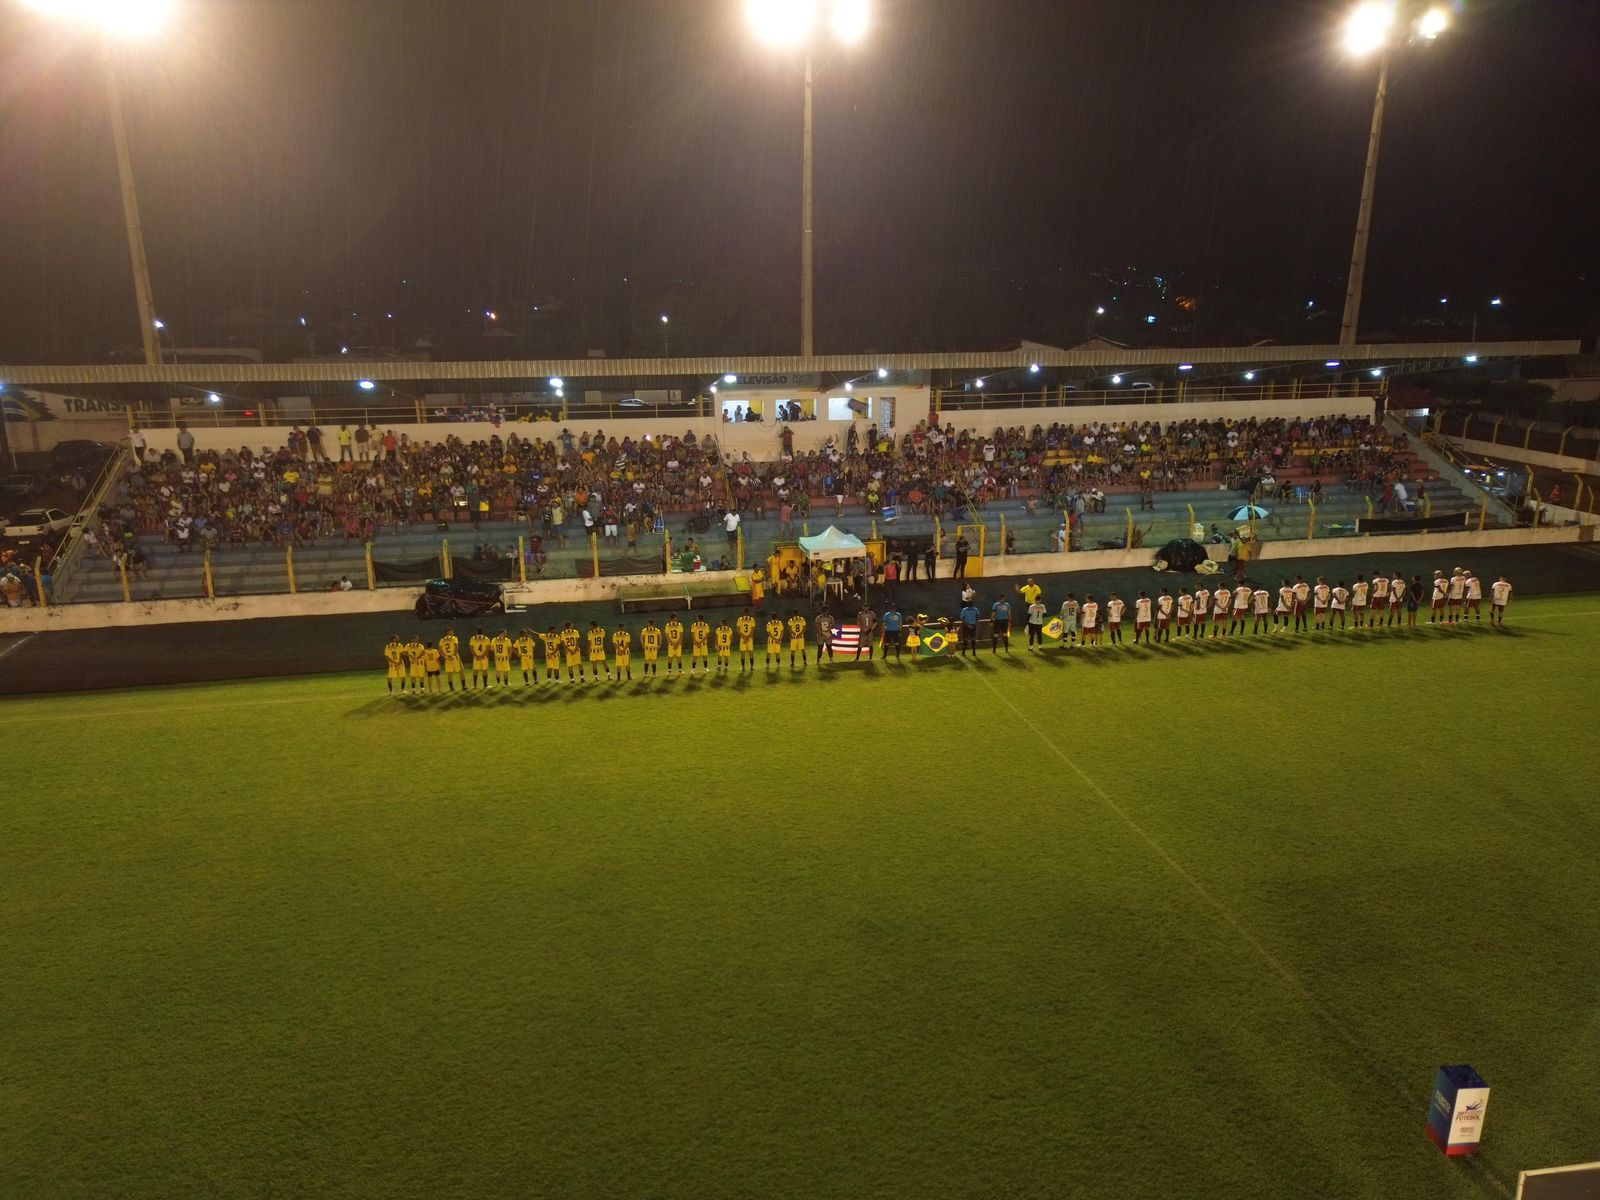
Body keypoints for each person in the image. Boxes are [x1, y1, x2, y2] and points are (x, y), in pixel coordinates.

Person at [735, 608, 757, 673]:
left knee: (742, 653)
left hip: (743, 639)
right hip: (749, 638)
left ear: (743, 612)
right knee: (751, 653)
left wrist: (744, 637)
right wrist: (748, 637)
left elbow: (738, 630)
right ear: (749, 612)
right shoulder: (751, 619)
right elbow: (752, 630)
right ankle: (752, 667)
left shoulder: (740, 619)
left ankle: (743, 667)